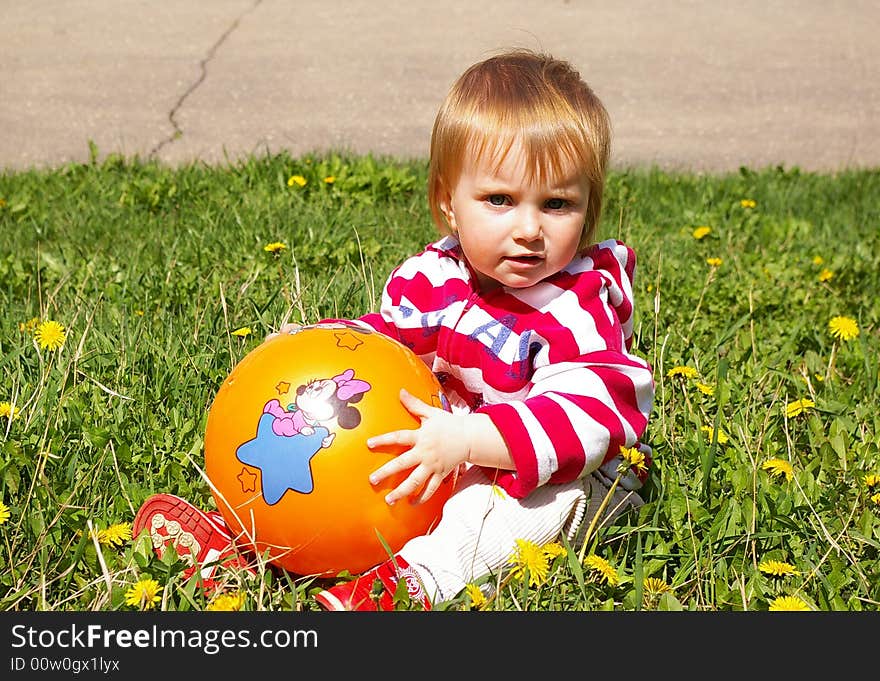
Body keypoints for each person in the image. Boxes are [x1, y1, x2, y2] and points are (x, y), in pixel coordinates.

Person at [132, 48, 655, 610]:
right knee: (356, 446)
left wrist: (472, 441)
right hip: (452, 439)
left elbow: (595, 413)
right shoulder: (436, 277)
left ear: (588, 211)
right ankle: (244, 541)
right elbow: (386, 341)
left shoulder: (577, 305)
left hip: (561, 468)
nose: (529, 229)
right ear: (447, 203)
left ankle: (407, 587)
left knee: (501, 515)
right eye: (499, 200)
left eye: (557, 204)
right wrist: (311, 344)